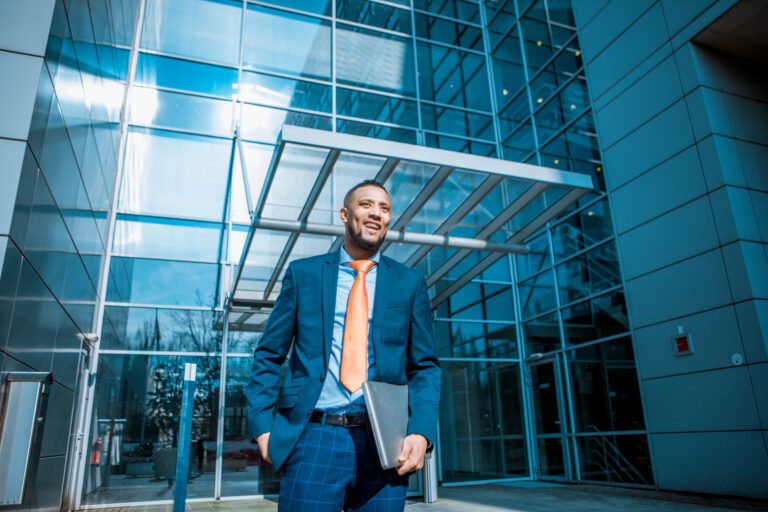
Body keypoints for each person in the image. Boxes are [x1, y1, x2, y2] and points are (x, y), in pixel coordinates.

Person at [246, 179, 441, 511]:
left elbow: (425, 367)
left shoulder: (410, 282)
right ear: (344, 214)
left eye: (385, 208)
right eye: (366, 204)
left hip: (386, 442)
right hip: (313, 437)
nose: (376, 213)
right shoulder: (303, 274)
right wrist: (262, 427)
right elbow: (268, 354)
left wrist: (420, 432)